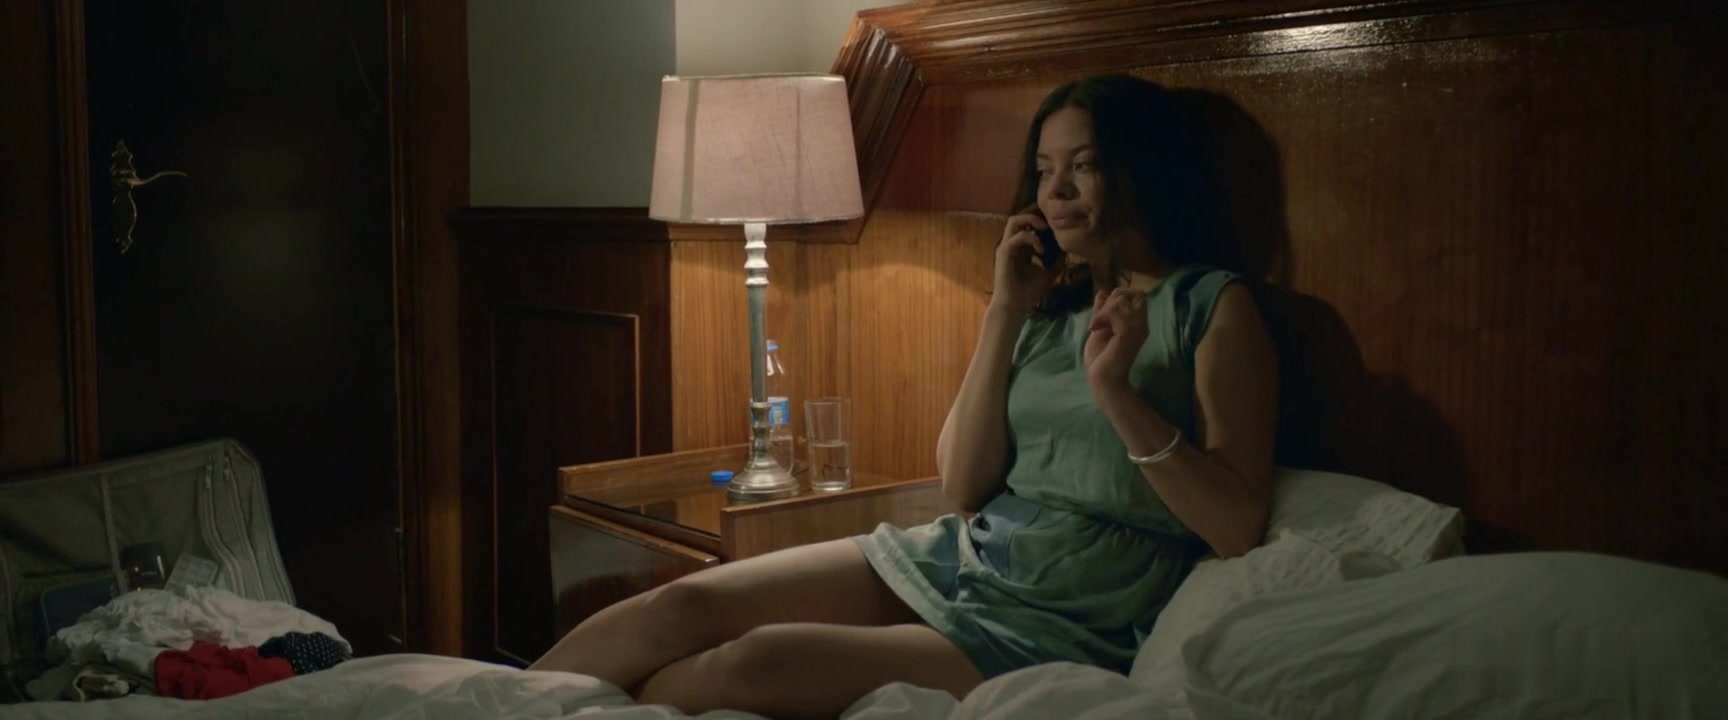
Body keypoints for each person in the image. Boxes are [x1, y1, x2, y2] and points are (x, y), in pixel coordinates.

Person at [529, 74, 1279, 719]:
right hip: (966, 555)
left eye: (1084, 166)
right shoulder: (1051, 302)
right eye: (1045, 169)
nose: (1054, 192)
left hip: (1063, 615)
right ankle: (500, 703)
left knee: (754, 662)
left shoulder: (1210, 307)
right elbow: (964, 484)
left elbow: (1236, 525)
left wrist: (1114, 393)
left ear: (1141, 171)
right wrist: (1004, 310)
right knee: (683, 604)